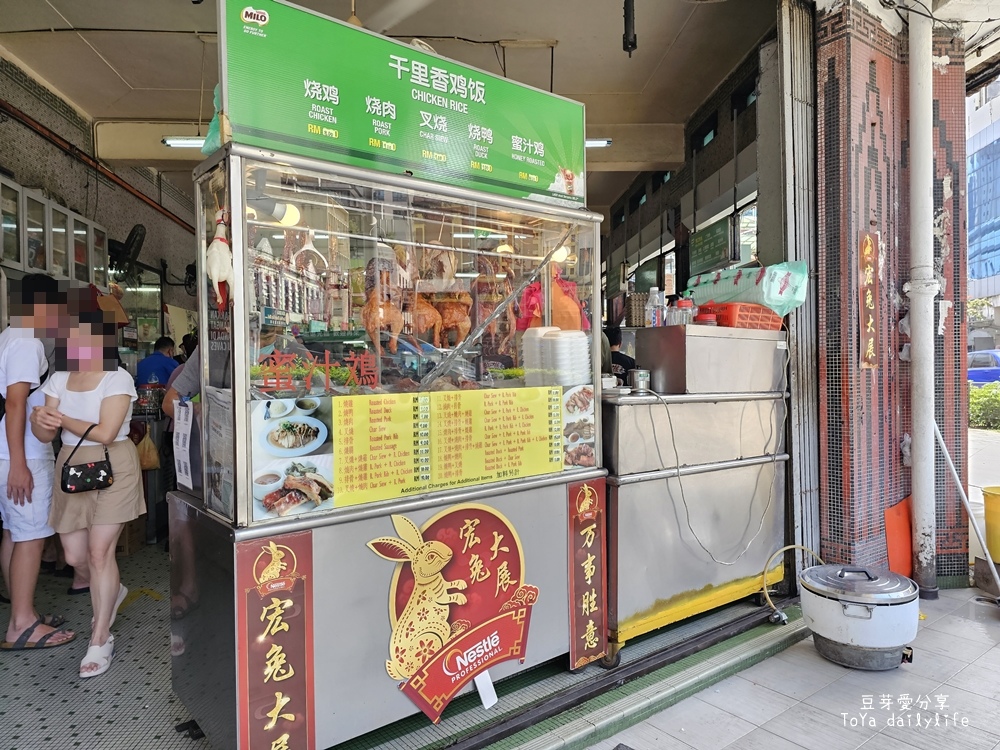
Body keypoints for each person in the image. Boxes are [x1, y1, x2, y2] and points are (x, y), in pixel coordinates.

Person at [31, 310, 142, 678]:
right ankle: (113, 588)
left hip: (113, 465)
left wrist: (58, 418)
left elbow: (106, 432)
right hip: (71, 465)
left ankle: (99, 637)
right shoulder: (59, 378)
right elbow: (46, 435)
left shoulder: (118, 378)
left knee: (98, 552)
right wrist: (40, 423)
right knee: (76, 555)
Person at [0, 274, 75, 650]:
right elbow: (15, 402)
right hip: (23, 453)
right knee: (29, 537)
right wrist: (19, 464)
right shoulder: (26, 342)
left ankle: (22, 611)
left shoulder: (9, 337)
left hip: (14, 451)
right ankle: (21, 625)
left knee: (15, 533)